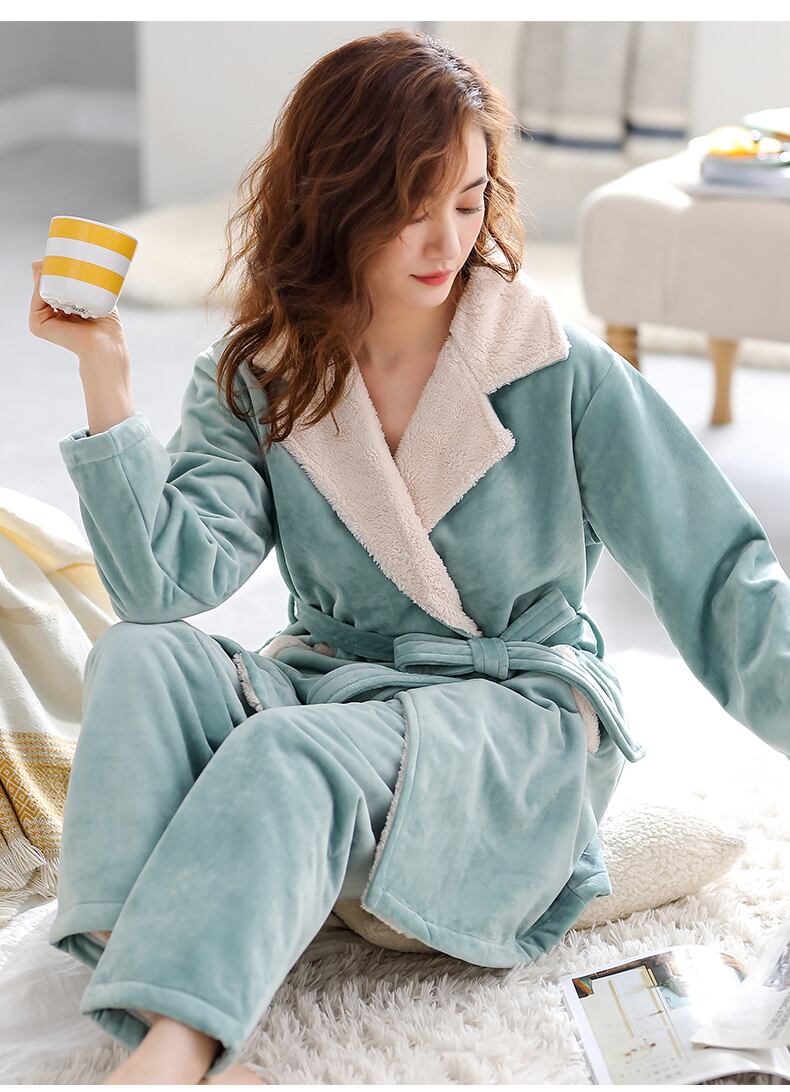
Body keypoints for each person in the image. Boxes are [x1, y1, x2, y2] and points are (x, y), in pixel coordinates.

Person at [28, 27, 790, 1086]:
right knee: (137, 656)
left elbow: (719, 575)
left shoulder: (553, 367)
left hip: (510, 723)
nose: (445, 240)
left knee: (285, 753)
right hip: (338, 687)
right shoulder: (263, 371)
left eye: (468, 201)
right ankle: (148, 987)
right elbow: (164, 586)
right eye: (409, 207)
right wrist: (105, 378)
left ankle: (175, 1049)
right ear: (334, 200)